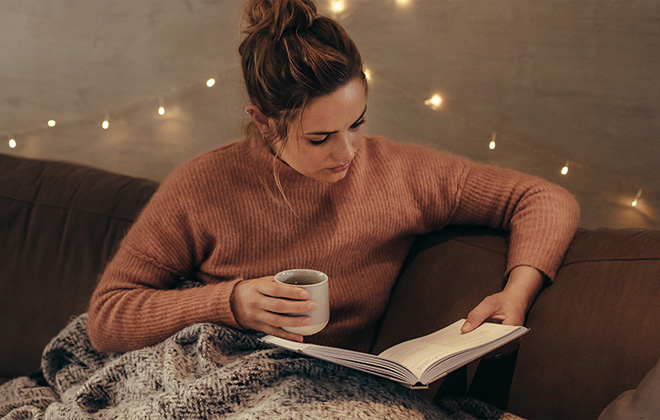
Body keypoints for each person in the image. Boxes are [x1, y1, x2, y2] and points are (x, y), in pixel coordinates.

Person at [86, 0, 579, 354]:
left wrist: (518, 292)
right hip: (213, 365)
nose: (347, 153)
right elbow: (106, 318)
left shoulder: (401, 174)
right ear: (264, 122)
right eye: (319, 138)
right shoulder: (201, 187)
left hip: (329, 389)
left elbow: (544, 198)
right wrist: (229, 302)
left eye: (357, 123)